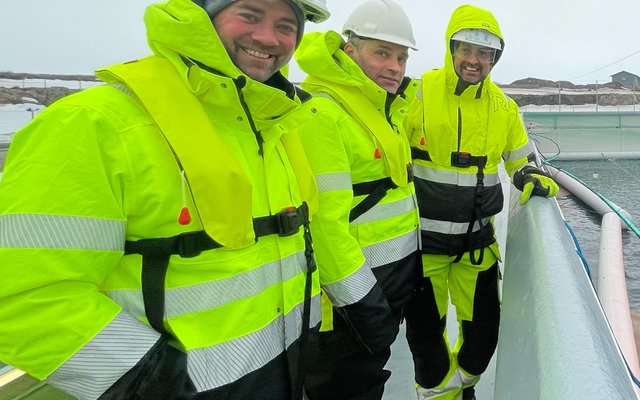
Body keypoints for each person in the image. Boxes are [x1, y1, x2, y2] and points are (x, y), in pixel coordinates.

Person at [0, 0, 398, 399]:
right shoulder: (95, 123)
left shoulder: (278, 129)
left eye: (285, 25)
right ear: (202, 13)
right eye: (249, 14)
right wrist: (156, 384)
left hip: (283, 375)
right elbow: (25, 298)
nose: (267, 37)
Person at [403, 4, 560, 400]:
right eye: (467, 49)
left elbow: (521, 159)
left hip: (477, 249)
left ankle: (464, 386)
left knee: (483, 341)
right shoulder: (415, 94)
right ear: (451, 47)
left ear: (495, 58)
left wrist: (529, 175)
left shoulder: (505, 109)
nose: (474, 61)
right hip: (422, 250)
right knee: (428, 348)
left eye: (485, 53)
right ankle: (443, 396)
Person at [290, 0, 422, 399]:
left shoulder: (379, 108)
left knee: (366, 379)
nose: (395, 67)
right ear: (350, 51)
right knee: (345, 387)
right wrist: (361, 303)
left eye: (400, 56)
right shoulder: (324, 112)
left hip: (384, 282)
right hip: (351, 296)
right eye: (382, 53)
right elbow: (325, 224)